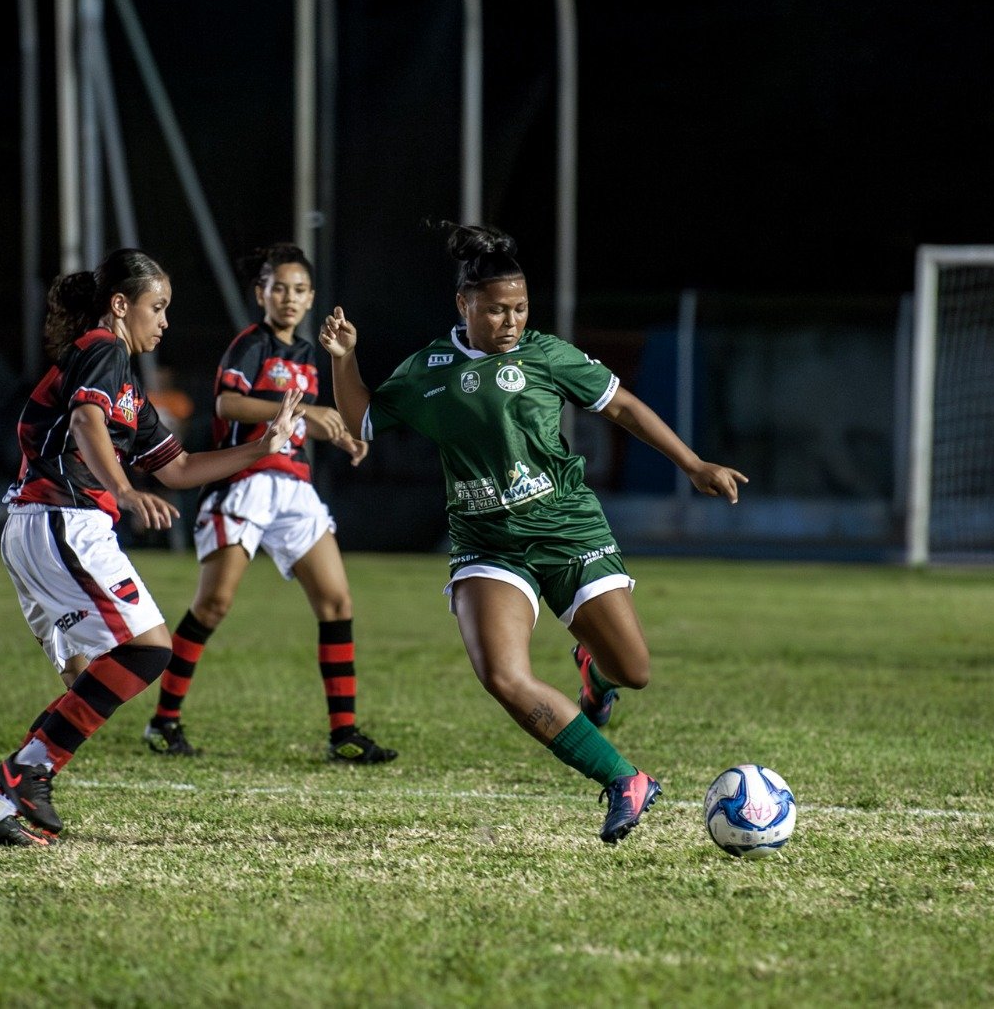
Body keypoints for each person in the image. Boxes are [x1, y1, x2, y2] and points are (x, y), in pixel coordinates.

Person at [318, 223, 746, 843]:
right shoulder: (429, 369)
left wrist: (694, 463)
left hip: (568, 528)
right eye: (496, 309)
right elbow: (360, 420)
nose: (511, 320)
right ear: (463, 305)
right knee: (502, 675)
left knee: (634, 670)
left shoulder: (547, 356)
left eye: (519, 308)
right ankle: (624, 780)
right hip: (485, 543)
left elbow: (622, 405)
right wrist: (344, 359)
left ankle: (594, 674)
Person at [0, 248, 302, 847]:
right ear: (121, 306)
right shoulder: (102, 349)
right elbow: (88, 424)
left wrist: (265, 445)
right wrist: (123, 489)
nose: (164, 322)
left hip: (43, 529)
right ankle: (25, 772)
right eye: (158, 307)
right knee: (148, 651)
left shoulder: (130, 394)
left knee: (90, 676)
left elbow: (181, 468)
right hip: (63, 520)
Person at [142, 243, 397, 765]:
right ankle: (163, 721)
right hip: (244, 481)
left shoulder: (308, 356)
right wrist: (313, 414)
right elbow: (228, 404)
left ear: (311, 300)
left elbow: (301, 423)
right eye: (278, 287)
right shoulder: (251, 345)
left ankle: (343, 734)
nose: (289, 297)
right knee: (213, 605)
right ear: (260, 293)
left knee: (337, 603)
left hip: (294, 488)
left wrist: (340, 434)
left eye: (299, 290)